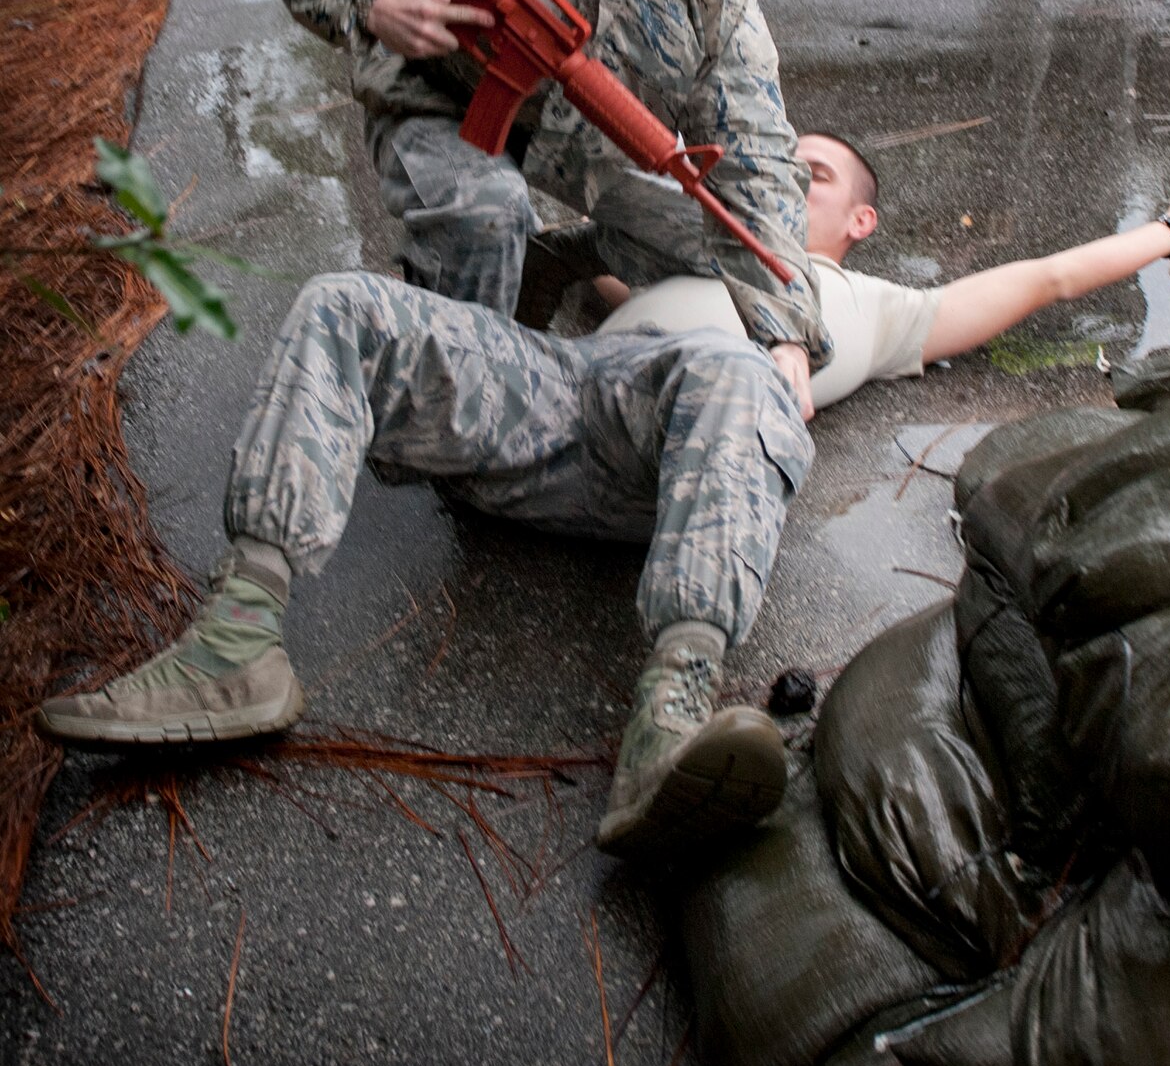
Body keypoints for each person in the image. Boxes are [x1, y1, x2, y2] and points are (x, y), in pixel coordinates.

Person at [38, 275, 814, 863]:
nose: (794, 170)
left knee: (736, 369)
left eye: (816, 170)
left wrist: (791, 337)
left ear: (857, 220)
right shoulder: (673, 232)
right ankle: (236, 635)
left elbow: (934, 312)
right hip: (558, 381)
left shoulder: (832, 289)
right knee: (342, 302)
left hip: (676, 437)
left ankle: (670, 723)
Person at [273, 0, 831, 415]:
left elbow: (755, 159)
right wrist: (375, 0)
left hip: (573, 135)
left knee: (721, 245)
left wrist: (787, 336)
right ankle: (440, 404)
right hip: (437, 101)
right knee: (486, 213)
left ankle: (550, 263)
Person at [594, 135, 1170, 409]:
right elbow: (600, 269)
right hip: (573, 383)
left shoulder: (880, 308)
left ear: (862, 222)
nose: (788, 182)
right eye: (781, 170)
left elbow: (1049, 277)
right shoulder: (697, 249)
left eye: (813, 176)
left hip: (685, 425)